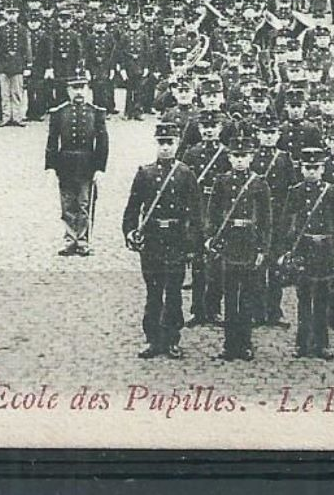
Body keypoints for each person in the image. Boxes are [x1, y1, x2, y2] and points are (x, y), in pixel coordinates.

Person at [122, 121, 200, 359]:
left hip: (176, 238)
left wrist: (193, 245)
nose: (165, 147)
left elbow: (196, 214)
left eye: (170, 143)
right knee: (153, 291)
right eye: (161, 143)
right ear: (156, 144)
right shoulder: (145, 173)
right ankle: (153, 339)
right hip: (153, 239)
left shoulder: (186, 174)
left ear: (177, 144)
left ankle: (172, 338)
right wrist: (129, 233)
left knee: (174, 291)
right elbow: (132, 209)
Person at [206, 142, 272, 361]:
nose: (240, 160)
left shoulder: (259, 184)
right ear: (230, 158)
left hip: (249, 243)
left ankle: (245, 343)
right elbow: (213, 212)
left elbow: (265, 219)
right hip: (229, 243)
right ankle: (229, 344)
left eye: (244, 156)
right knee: (229, 296)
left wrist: (263, 248)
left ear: (251, 157)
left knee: (247, 296)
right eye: (236, 156)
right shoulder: (222, 181)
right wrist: (211, 237)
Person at [279, 148, 334, 359]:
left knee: (323, 299)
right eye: (307, 168)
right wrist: (287, 250)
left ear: (323, 168)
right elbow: (287, 222)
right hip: (304, 249)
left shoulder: (331, 192)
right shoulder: (295, 191)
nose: (311, 172)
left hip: (324, 250)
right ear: (301, 169)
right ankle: (302, 343)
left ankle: (322, 343)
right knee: (304, 298)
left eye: (316, 168)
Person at [44, 70, 109, 255]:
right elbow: (52, 141)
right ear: (68, 90)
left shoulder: (96, 113)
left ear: (88, 89)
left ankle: (83, 240)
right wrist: (50, 167)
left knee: (84, 203)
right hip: (65, 164)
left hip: (87, 165)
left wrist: (99, 168)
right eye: (74, 88)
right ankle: (69, 239)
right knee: (67, 204)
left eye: (82, 88)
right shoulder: (59, 113)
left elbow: (102, 143)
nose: (78, 92)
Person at [0, 4, 33, 127]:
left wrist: (28, 66)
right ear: (5, 15)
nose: (12, 16)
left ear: (18, 15)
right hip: (3, 66)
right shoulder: (0, 30)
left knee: (17, 93)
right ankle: (6, 117)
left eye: (14, 14)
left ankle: (17, 117)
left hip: (18, 66)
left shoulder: (23, 30)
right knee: (5, 93)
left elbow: (27, 49)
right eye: (9, 14)